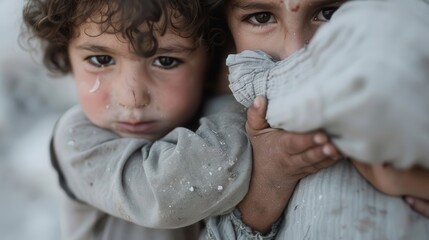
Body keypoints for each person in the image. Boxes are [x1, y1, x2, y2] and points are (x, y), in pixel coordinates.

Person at [22, 0, 342, 239]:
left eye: (165, 61)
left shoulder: (202, 120)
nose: (131, 97)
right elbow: (167, 194)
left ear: (210, 61)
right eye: (101, 59)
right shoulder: (78, 138)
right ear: (66, 55)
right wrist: (238, 107)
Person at [204, 0, 429, 239]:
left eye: (329, 12)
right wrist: (269, 177)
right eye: (261, 18)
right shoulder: (223, 132)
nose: (295, 51)